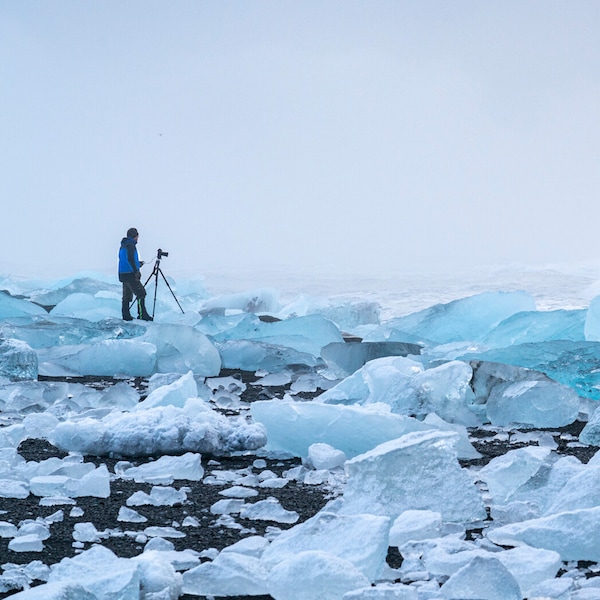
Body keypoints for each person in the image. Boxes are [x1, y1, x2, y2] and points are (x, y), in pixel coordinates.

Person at [118, 227, 153, 321]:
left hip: (123, 274)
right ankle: (142, 315)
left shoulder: (123, 245)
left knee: (127, 296)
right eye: (137, 236)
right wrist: (136, 271)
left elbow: (126, 260)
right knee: (141, 293)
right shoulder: (131, 245)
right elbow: (130, 259)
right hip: (130, 274)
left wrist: (138, 264)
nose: (138, 239)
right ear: (134, 236)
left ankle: (126, 316)